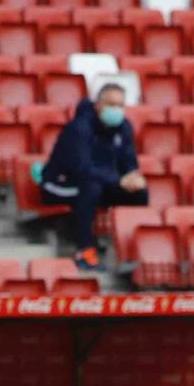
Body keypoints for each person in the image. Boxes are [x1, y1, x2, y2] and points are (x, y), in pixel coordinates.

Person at [40, 84, 147, 271]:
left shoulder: (124, 127)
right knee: (91, 187)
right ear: (98, 105)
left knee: (139, 193)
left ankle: (132, 252)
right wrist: (117, 180)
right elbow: (81, 168)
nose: (116, 110)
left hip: (99, 182)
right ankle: (84, 250)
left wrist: (133, 177)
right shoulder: (79, 128)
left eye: (120, 105)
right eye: (111, 104)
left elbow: (128, 161)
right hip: (59, 184)